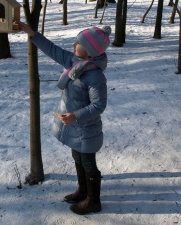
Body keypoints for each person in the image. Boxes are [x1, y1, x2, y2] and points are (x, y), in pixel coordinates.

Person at [18, 21, 111, 215]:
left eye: (78, 43)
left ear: (88, 51)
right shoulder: (73, 62)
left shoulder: (95, 76)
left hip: (86, 129)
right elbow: (51, 49)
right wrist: (32, 33)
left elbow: (99, 105)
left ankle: (94, 201)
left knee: (88, 163)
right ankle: (83, 191)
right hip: (75, 127)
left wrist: (75, 116)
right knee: (77, 156)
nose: (73, 45)